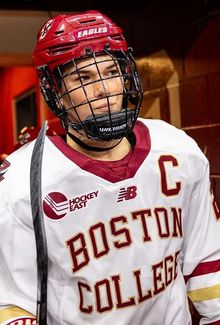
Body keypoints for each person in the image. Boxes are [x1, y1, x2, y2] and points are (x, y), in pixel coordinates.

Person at [0, 10, 219, 325]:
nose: (103, 90)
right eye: (83, 78)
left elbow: (207, 263)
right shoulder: (21, 183)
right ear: (56, 91)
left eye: (110, 72)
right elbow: (12, 305)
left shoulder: (178, 149)